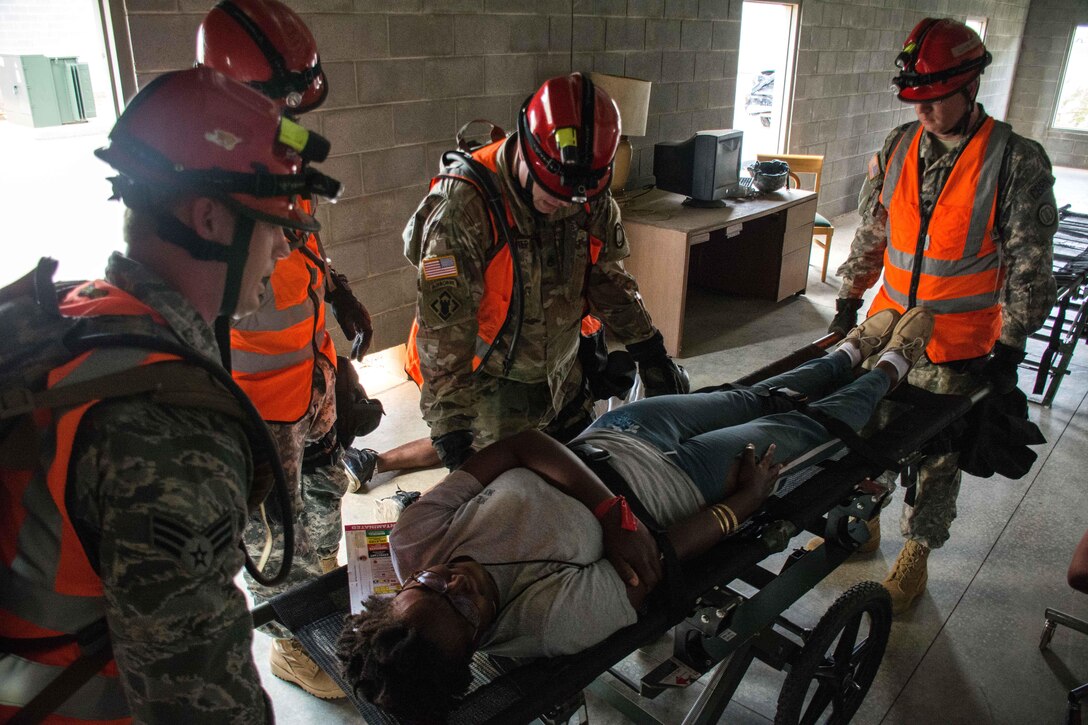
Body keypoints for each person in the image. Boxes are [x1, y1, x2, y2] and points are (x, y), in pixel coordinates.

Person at [337, 307, 935, 719]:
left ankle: (852, 347)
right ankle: (892, 366)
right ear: (474, 644)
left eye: (429, 585)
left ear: (397, 592)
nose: (454, 579)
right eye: (463, 604)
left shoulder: (415, 540)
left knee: (756, 396)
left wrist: (608, 516)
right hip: (686, 484)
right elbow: (659, 558)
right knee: (802, 426)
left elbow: (521, 444)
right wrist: (742, 506)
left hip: (624, 428)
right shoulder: (546, 626)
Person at [0, 67, 340, 722]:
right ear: (209, 218)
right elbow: (201, 703)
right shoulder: (170, 432)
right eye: (271, 223)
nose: (280, 247)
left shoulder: (83, 315)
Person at [828, 18, 1058, 614]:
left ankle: (918, 552)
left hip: (959, 342)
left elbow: (1030, 263)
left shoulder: (1015, 161)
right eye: (916, 100)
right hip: (887, 330)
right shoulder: (897, 145)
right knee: (868, 428)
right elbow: (873, 232)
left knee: (937, 451)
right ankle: (865, 520)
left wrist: (1010, 344)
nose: (924, 112)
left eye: (934, 100)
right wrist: (851, 298)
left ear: (970, 86)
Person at [197, 0, 376, 699]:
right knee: (274, 534)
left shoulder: (278, 145)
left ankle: (318, 612)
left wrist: (339, 293)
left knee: (324, 505)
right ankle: (287, 645)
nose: (291, 119)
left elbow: (298, 233)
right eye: (279, 102)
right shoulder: (197, 177)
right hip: (254, 411)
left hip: (310, 382)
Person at [402, 72, 687, 474]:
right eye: (550, 194)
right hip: (491, 389)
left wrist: (648, 348)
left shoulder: (585, 189)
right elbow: (443, 333)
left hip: (563, 377)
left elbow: (606, 278)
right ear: (526, 151)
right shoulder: (461, 211)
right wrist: (452, 436)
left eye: (574, 198)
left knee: (583, 484)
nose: (562, 205)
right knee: (506, 507)